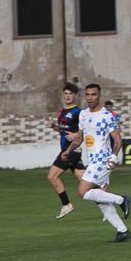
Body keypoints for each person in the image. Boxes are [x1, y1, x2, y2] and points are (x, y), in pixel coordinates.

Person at [62, 83, 131, 242]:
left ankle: (122, 199)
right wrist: (68, 150)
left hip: (103, 159)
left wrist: (114, 157)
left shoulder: (107, 115)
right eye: (87, 95)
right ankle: (123, 231)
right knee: (100, 198)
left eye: (93, 94)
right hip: (93, 160)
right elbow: (79, 137)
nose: (90, 98)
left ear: (99, 96)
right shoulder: (83, 115)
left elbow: (117, 140)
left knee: (82, 191)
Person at [46, 82, 85, 219]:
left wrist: (77, 135)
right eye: (66, 94)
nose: (68, 96)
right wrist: (54, 127)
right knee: (86, 183)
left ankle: (66, 204)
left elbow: (84, 130)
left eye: (70, 94)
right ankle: (114, 201)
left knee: (52, 176)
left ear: (75, 96)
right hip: (67, 150)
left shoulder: (78, 112)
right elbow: (64, 131)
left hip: (71, 151)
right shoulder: (62, 112)